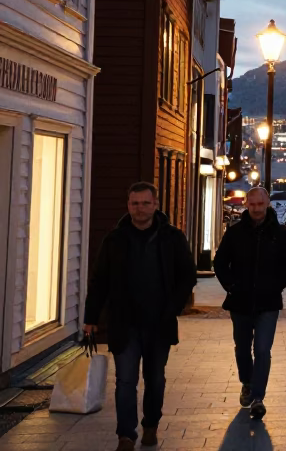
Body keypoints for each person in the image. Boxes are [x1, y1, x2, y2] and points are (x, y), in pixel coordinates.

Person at [84, 183, 197, 451]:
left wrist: (174, 307)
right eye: (135, 203)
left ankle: (150, 424)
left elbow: (187, 276)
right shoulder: (115, 240)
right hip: (125, 323)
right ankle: (126, 435)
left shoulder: (172, 238)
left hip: (160, 322)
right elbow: (99, 280)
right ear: (128, 206)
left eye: (146, 203)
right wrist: (91, 317)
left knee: (155, 379)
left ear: (156, 205)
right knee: (125, 380)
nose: (140, 208)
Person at [214, 187, 286, 420]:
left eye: (261, 204)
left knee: (262, 349)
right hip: (239, 301)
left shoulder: (280, 234)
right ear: (246, 205)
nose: (257, 209)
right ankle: (247, 382)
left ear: (267, 204)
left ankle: (258, 397)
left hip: (268, 302)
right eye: (252, 204)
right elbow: (221, 263)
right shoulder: (235, 232)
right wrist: (231, 286)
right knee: (242, 348)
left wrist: (276, 286)